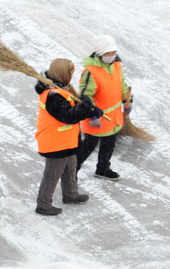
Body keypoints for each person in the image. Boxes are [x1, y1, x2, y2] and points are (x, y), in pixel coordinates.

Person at [34, 58, 103, 216]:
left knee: (70, 169)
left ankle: (71, 195)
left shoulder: (63, 89)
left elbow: (75, 107)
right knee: (52, 175)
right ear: (63, 74)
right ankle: (43, 205)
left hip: (67, 141)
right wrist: (86, 105)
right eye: (70, 72)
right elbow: (69, 116)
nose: (72, 76)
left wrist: (91, 110)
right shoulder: (52, 95)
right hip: (55, 143)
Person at [77, 34, 131, 180]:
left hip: (113, 117)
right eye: (108, 53)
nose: (112, 55)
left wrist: (128, 100)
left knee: (109, 145)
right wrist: (92, 114)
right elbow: (85, 96)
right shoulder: (91, 71)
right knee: (88, 146)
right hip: (97, 117)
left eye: (114, 52)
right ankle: (71, 171)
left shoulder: (116, 65)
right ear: (100, 54)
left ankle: (102, 169)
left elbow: (122, 84)